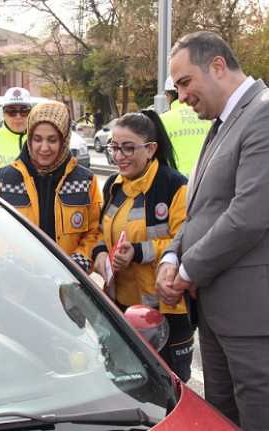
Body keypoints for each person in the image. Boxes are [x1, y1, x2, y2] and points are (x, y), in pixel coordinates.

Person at [156, 31, 269, 430]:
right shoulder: (224, 123)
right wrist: (172, 254)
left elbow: (251, 215)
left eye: (185, 82)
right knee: (223, 421)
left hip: (267, 317)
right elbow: (204, 210)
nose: (181, 96)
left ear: (218, 65)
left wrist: (185, 273)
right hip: (223, 312)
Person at [91, 110, 193, 381]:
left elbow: (185, 242)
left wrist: (137, 252)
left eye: (128, 148)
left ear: (150, 149)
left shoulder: (174, 186)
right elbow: (101, 232)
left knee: (168, 385)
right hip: (121, 307)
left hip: (164, 311)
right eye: (115, 147)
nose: (119, 156)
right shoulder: (114, 185)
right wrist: (101, 254)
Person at [0, 101, 101, 273]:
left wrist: (75, 267)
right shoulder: (3, 180)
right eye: (37, 139)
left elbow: (95, 232)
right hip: (18, 285)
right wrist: (11, 265)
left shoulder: (86, 181)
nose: (44, 148)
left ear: (64, 140)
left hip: (69, 287)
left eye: (52, 140)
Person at [159, 76, 211, 177]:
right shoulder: (206, 118)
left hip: (176, 183)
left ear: (167, 95)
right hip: (203, 179)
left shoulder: (162, 120)